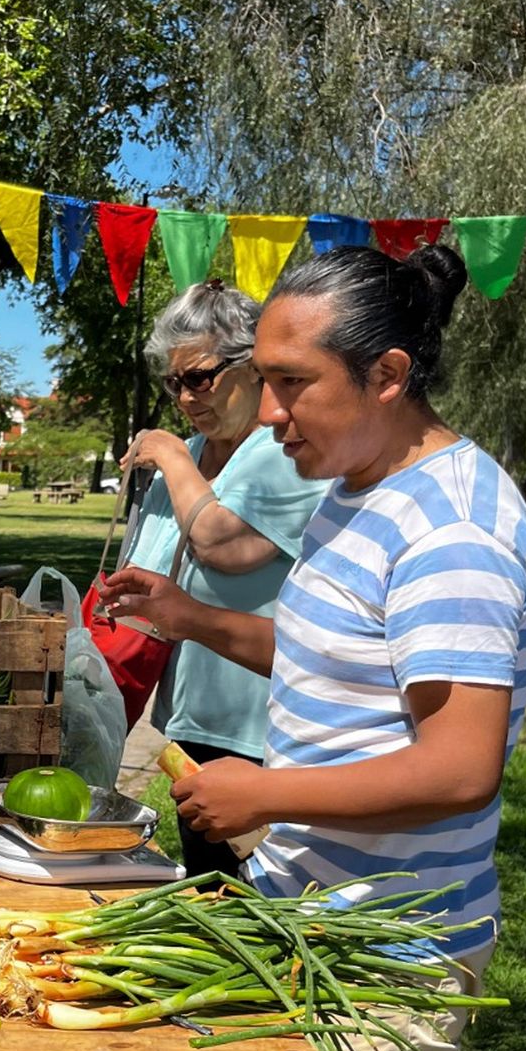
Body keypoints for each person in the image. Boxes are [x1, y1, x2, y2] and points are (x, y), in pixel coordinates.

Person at [101, 244, 526, 1051]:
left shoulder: (455, 525)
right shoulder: (362, 484)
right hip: (316, 901)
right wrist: (191, 620)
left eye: (294, 384)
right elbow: (321, 651)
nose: (271, 411)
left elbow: (461, 760)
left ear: (391, 373)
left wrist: (264, 793)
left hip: (397, 926)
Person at [120, 280, 329, 873]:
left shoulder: (281, 450)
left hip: (261, 724)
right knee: (214, 900)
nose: (185, 397)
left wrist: (172, 457)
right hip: (190, 715)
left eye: (201, 376)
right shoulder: (185, 453)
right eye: (175, 381)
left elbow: (223, 542)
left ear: (253, 364)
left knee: (265, 906)